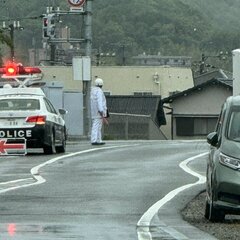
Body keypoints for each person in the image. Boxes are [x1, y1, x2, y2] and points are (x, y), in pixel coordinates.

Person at [90, 78, 108, 145]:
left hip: (94, 111)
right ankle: (94, 140)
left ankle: (98, 139)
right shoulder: (99, 91)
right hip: (99, 112)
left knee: (97, 126)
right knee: (97, 125)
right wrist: (101, 111)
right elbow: (100, 101)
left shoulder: (92, 91)